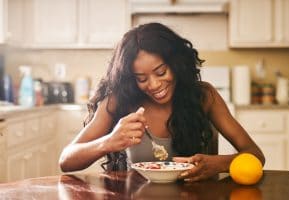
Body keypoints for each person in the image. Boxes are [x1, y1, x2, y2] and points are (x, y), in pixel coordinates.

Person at [59, 22, 265, 182]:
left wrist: (219, 164)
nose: (154, 84)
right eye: (141, 78)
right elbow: (66, 160)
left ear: (176, 64)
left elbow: (255, 155)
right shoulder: (119, 102)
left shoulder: (204, 96)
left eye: (161, 72)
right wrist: (108, 142)